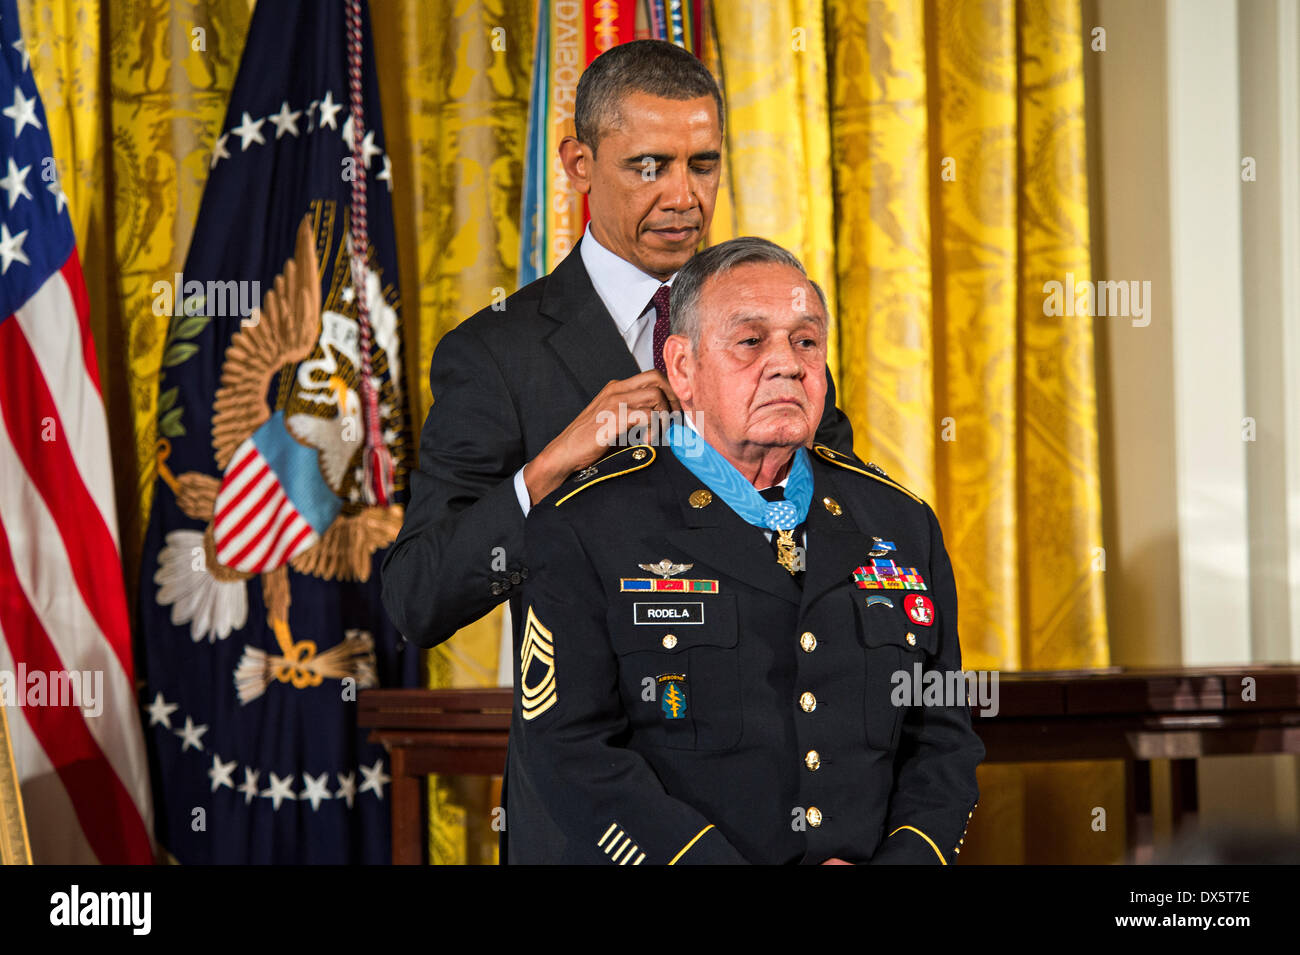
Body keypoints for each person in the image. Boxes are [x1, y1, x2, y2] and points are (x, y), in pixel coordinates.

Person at [506, 237, 983, 864]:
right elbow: (572, 752)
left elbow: (942, 738)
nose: (787, 364)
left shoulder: (902, 521)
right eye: (751, 341)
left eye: (806, 341)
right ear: (682, 368)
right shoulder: (586, 527)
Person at [380, 39, 853, 651]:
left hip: (773, 726)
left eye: (703, 165)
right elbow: (419, 598)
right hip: (599, 735)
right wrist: (552, 467)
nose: (685, 196)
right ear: (579, 164)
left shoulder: (774, 328)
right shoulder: (495, 353)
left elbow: (847, 528)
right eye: (649, 167)